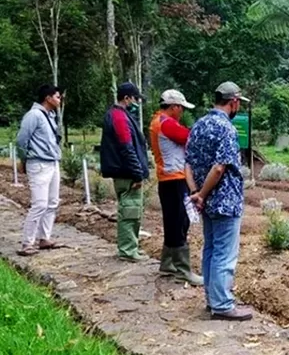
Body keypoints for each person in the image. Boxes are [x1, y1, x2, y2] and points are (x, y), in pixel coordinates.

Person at [185, 82, 253, 321]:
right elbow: (219, 167)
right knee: (225, 253)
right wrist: (202, 193)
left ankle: (212, 299)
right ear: (233, 102)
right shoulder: (227, 128)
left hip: (206, 203)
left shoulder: (198, 125)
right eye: (238, 104)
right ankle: (223, 304)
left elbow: (188, 163)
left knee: (210, 249)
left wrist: (196, 193)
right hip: (225, 200)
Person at [149, 89, 203, 285]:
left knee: (174, 222)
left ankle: (167, 263)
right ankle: (183, 269)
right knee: (179, 223)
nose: (182, 112)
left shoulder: (159, 121)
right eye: (181, 108)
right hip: (174, 179)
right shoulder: (167, 124)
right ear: (174, 107)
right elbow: (189, 137)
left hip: (169, 179)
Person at [100, 82, 150, 262]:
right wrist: (137, 173)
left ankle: (131, 246)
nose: (137, 103)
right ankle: (128, 250)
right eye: (135, 99)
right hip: (127, 173)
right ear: (127, 98)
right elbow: (126, 147)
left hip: (122, 171)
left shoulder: (116, 115)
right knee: (130, 211)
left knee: (131, 210)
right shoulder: (120, 118)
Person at [16, 85, 63, 256]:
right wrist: (24, 159)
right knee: (39, 204)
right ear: (48, 98)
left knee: (52, 202)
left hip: (52, 162)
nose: (59, 100)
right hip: (39, 163)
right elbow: (22, 139)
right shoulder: (34, 115)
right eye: (57, 97)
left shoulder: (50, 116)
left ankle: (45, 237)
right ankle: (27, 242)